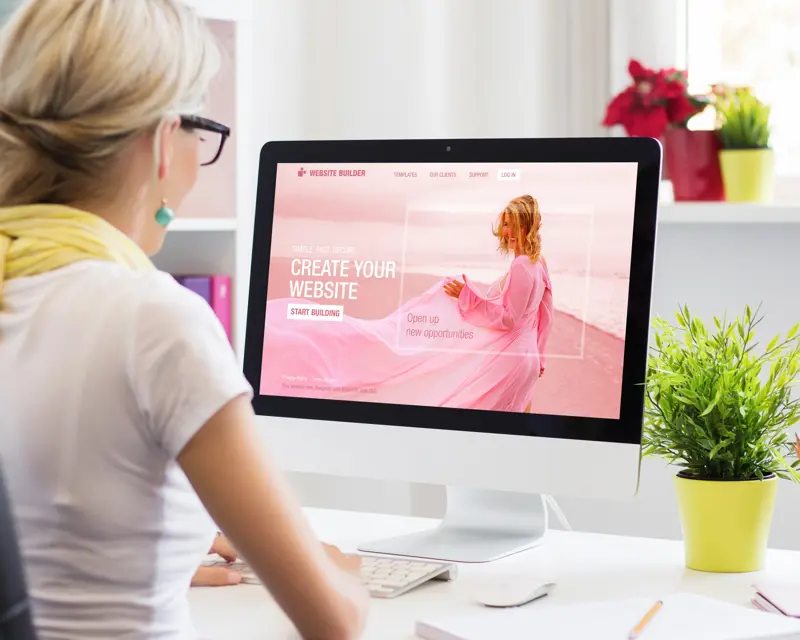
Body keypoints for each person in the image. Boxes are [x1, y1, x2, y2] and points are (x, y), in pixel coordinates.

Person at [0, 1, 369, 639]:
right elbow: (332, 621)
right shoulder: (153, 319)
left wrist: (162, 547)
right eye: (202, 129)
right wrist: (346, 577)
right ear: (162, 139)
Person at [259, 194, 553, 413]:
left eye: (513, 225)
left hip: (509, 360)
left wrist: (467, 296)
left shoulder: (520, 266)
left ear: (529, 226)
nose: (507, 232)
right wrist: (539, 356)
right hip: (524, 361)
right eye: (504, 223)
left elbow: (509, 319)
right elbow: (545, 314)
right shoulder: (539, 263)